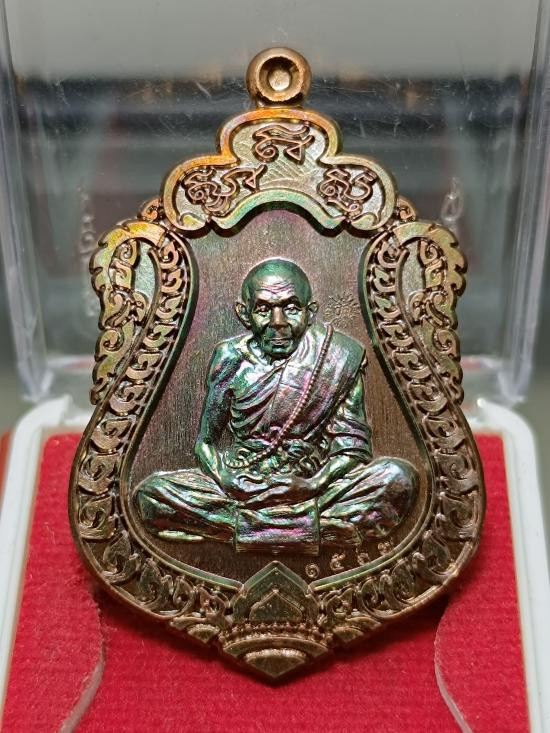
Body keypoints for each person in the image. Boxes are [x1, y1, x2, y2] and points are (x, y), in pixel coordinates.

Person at [134, 258, 418, 555]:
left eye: (291, 308)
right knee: (151, 496)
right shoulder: (230, 358)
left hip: (311, 484)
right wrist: (227, 480)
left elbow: (352, 449)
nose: (278, 322)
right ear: (243, 314)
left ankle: (234, 528)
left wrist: (312, 484)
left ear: (311, 312)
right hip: (242, 484)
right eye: (263, 309)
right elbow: (205, 443)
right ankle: (318, 530)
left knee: (398, 479)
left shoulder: (339, 358)